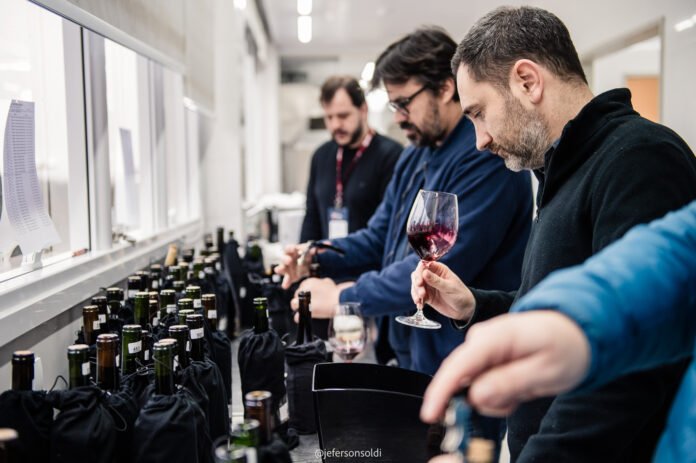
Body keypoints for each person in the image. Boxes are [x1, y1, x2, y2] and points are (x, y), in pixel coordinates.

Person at [410, 6, 696, 462]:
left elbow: (626, 372)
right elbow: (547, 306)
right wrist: (474, 306)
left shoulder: (640, 159)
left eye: (479, 113)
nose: (480, 140)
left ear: (528, 81)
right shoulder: (560, 169)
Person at [276, 27, 532, 375]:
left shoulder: (484, 158)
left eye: (404, 103)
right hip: (411, 354)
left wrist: (342, 298)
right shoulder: (415, 154)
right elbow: (378, 236)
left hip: (466, 362)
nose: (397, 117)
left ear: (445, 88)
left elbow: (433, 268)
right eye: (393, 105)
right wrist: (315, 257)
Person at [421, 200, 696, 463]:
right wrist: (476, 306)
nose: (481, 148)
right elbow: (680, 258)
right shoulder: (556, 182)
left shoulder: (635, 172)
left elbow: (626, 388)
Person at [300, 76, 402, 242]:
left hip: (371, 257)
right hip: (327, 257)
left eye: (343, 116)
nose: (335, 125)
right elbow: (312, 218)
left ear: (363, 110)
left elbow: (391, 228)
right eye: (329, 117)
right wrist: (304, 253)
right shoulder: (320, 156)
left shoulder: (391, 156)